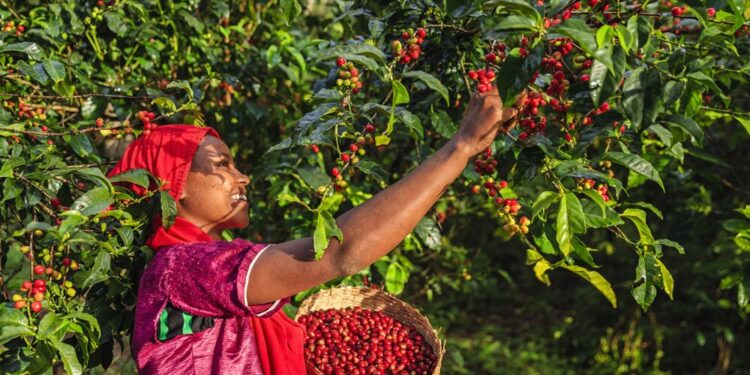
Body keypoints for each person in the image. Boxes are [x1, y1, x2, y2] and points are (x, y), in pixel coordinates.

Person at [108, 85, 520, 374]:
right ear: (171, 184)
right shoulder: (182, 266)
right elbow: (341, 251)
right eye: (223, 165)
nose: (242, 177)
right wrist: (460, 147)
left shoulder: (200, 265)